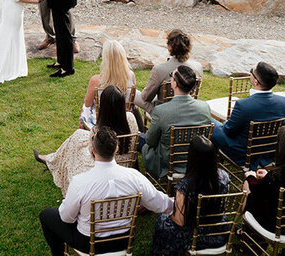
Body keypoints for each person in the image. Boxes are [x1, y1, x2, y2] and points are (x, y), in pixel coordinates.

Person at [38, 126, 173, 256]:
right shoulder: (134, 177)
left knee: (46, 215)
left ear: (93, 150)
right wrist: (177, 202)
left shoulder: (80, 182)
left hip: (88, 243)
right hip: (123, 241)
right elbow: (161, 204)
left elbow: (66, 217)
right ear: (116, 149)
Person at [38, 85, 139, 195]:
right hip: (124, 163)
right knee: (78, 134)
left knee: (75, 147)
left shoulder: (99, 130)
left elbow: (93, 153)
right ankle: (52, 159)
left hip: (102, 168)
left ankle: (52, 160)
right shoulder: (131, 118)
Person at [151, 136, 231, 256]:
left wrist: (169, 208)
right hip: (218, 232)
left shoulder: (186, 186)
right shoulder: (224, 176)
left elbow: (180, 221)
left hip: (195, 237)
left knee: (162, 218)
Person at [211, 61, 285, 167]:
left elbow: (228, 130)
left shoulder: (243, 105)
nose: (250, 73)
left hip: (244, 154)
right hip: (269, 152)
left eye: (251, 71)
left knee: (211, 124)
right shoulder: (282, 101)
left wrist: (223, 124)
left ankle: (211, 163)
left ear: (256, 82)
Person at [142, 66, 213, 179]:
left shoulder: (161, 111)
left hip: (167, 164)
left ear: (174, 84)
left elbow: (150, 141)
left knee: (143, 141)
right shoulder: (205, 107)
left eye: (171, 75)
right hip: (196, 160)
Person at [136, 30, 203, 114]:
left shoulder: (159, 69)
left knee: (132, 94)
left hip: (163, 112)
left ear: (169, 47)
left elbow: (146, 97)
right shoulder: (198, 67)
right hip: (187, 109)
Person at [80, 40, 136, 127]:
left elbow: (88, 104)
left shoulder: (96, 80)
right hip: (123, 119)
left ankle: (85, 131)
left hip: (101, 121)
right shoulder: (131, 76)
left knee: (85, 109)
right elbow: (132, 99)